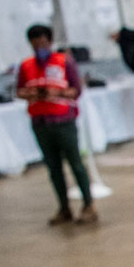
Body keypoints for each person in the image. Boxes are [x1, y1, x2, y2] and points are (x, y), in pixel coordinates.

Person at [16, 23, 96, 226]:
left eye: (43, 42)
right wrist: (33, 94)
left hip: (63, 120)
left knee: (76, 163)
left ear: (50, 42)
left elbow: (76, 89)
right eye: (35, 43)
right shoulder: (26, 65)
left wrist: (57, 93)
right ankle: (64, 208)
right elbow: (19, 91)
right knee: (53, 168)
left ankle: (88, 205)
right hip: (40, 122)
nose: (39, 46)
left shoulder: (63, 62)